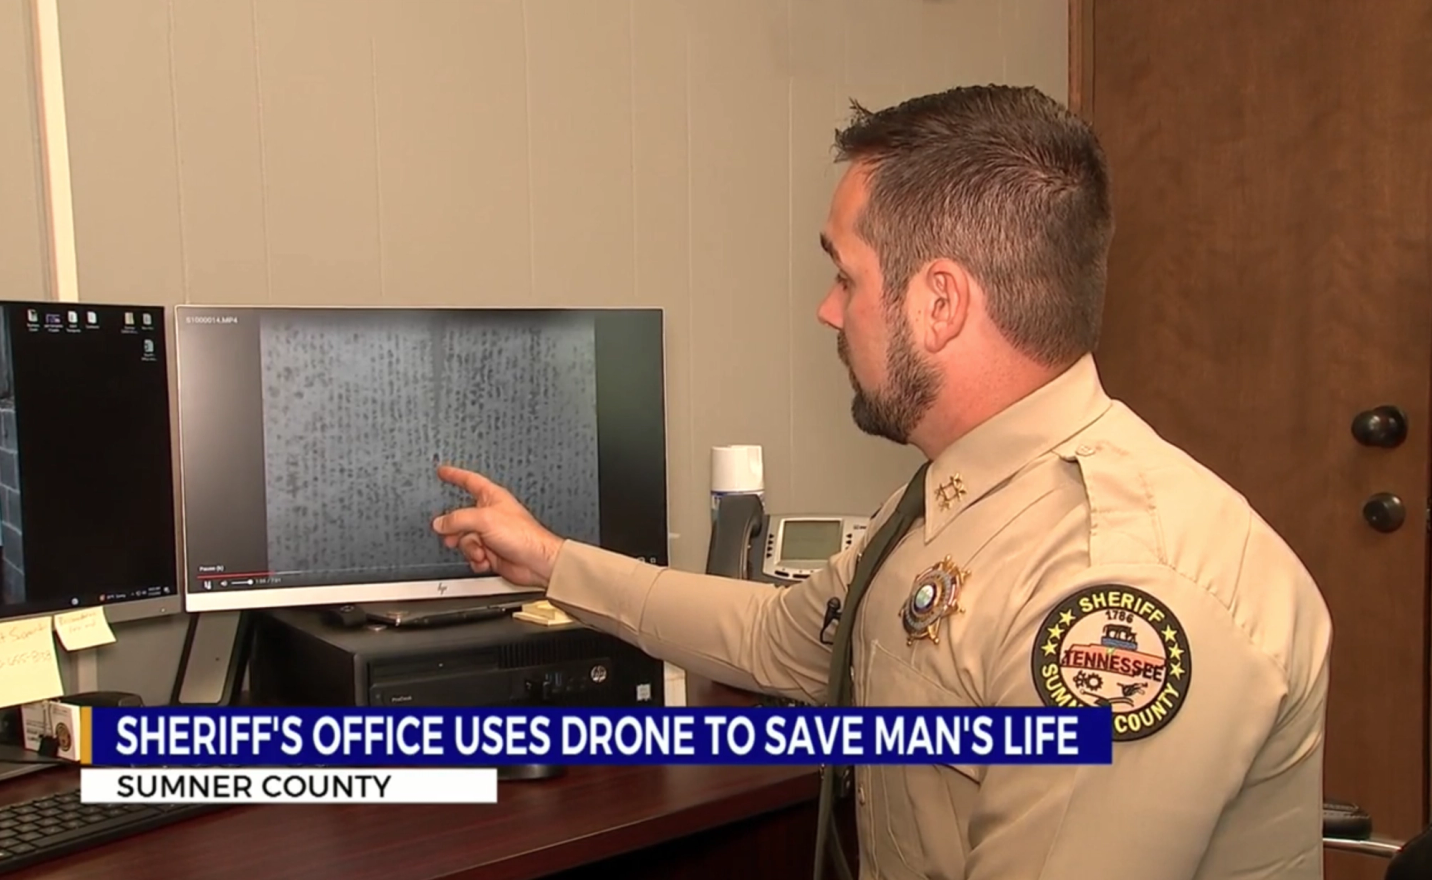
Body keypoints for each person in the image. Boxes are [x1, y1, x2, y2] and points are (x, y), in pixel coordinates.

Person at [431, 85, 1332, 880]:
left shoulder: (1123, 589)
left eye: (844, 273)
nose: (828, 308)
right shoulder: (959, 490)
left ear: (939, 304)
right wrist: (551, 562)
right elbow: (783, 638)